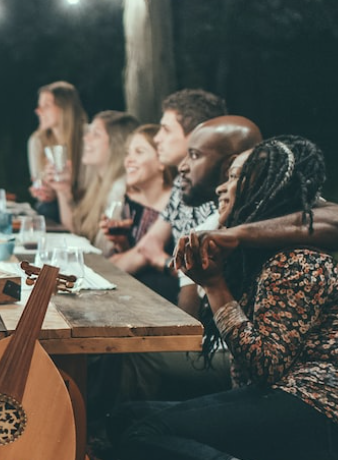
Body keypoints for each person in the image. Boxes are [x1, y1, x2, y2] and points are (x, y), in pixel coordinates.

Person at [112, 136, 338, 460]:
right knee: (126, 418)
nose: (221, 187)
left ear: (264, 189)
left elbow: (265, 367)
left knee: (143, 434)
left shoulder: (296, 261)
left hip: (315, 406)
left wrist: (215, 286)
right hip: (278, 394)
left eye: (233, 177)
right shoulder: (257, 254)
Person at [115, 89, 227, 278]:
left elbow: (208, 275)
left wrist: (164, 261)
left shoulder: (218, 192)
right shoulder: (180, 183)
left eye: (166, 130)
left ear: (197, 134)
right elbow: (146, 248)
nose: (157, 138)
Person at [101, 124, 178, 303]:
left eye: (139, 152)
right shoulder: (129, 199)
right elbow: (134, 255)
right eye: (128, 153)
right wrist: (122, 243)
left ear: (162, 161)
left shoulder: (176, 202)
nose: (128, 160)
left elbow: (143, 256)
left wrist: (95, 270)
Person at [49, 110, 139, 252]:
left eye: (96, 134)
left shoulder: (120, 189)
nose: (85, 138)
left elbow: (102, 252)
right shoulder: (99, 183)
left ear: (116, 144)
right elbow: (75, 235)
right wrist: (63, 190)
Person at [27, 81, 89, 221]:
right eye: (39, 106)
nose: (39, 111)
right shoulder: (37, 141)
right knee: (46, 208)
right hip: (55, 206)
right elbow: (38, 181)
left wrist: (65, 189)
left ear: (65, 108)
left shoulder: (88, 137)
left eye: (47, 106)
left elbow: (93, 187)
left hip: (85, 204)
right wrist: (44, 191)